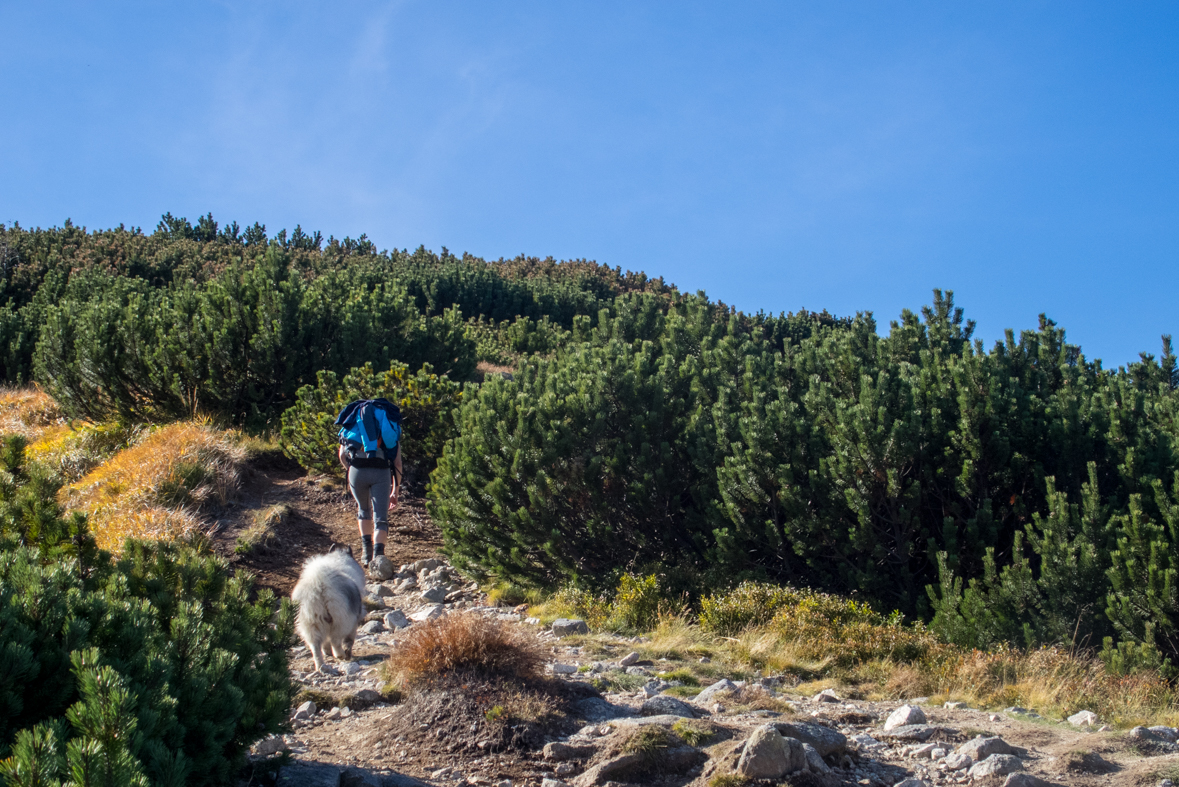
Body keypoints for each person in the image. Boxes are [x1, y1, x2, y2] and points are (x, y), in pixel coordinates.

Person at [337, 404, 403, 566]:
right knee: (381, 518)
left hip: (357, 471)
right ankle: (378, 559)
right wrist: (395, 490)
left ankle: (366, 555)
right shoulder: (387, 431)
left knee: (363, 510)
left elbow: (342, 455)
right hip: (381, 473)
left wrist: (351, 471)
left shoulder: (354, 428)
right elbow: (398, 464)